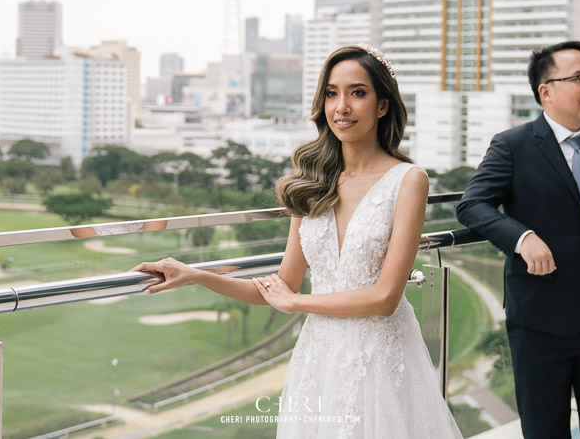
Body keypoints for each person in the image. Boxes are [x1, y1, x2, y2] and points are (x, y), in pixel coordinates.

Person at [131, 44, 462, 438]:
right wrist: (194, 274)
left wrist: (295, 303)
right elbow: (281, 285)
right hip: (319, 357)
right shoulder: (311, 183)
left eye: (357, 92)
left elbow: (385, 297)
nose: (342, 106)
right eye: (331, 93)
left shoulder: (409, 181)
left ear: (382, 106)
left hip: (380, 356)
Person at [457, 40, 580, 439]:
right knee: (544, 431)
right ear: (546, 90)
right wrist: (522, 237)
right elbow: (472, 205)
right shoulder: (513, 145)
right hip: (540, 322)